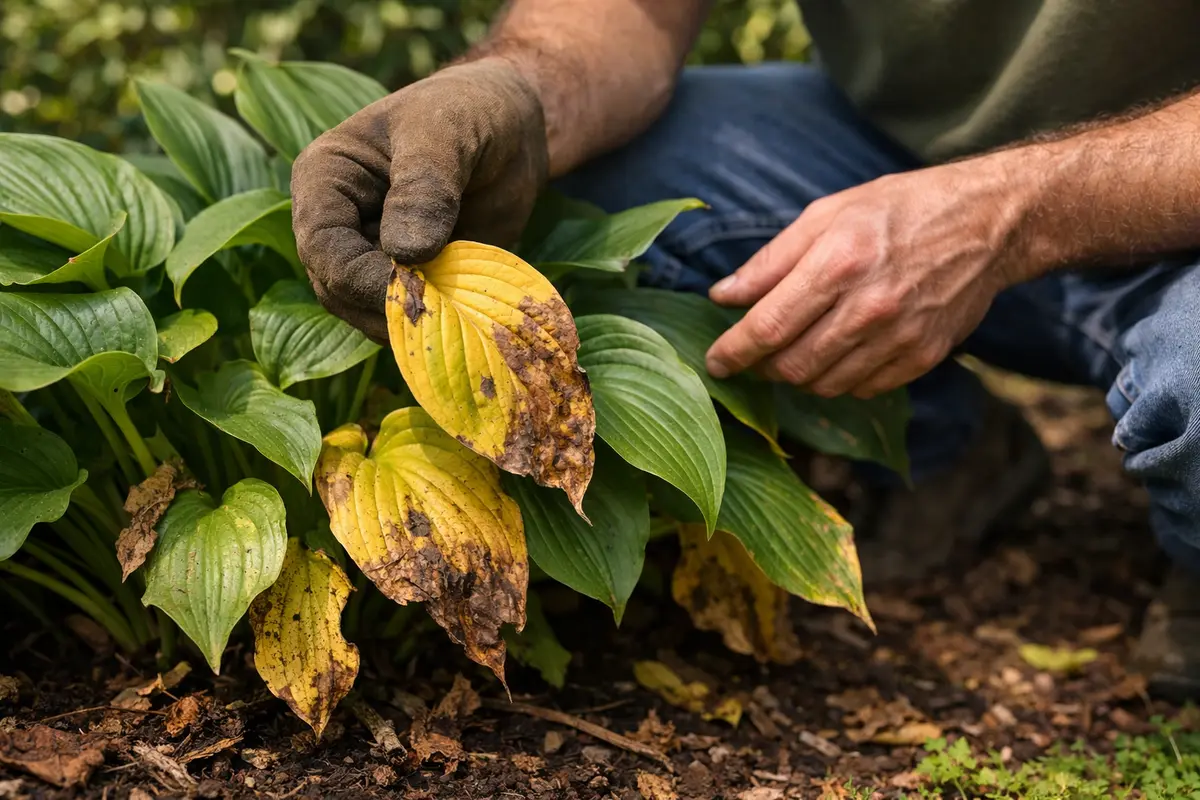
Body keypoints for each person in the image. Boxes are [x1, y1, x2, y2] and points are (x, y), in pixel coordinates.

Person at [289, 1, 1200, 697]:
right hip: (901, 154)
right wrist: (507, 92)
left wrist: (1004, 212)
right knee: (591, 174)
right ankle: (939, 450)